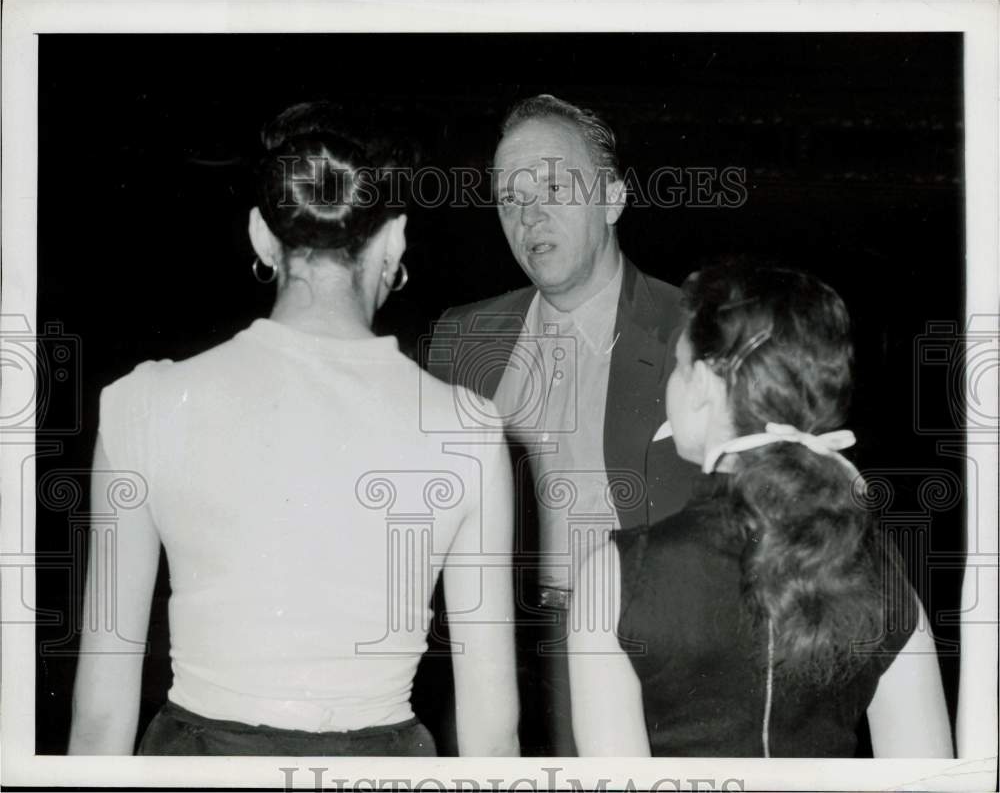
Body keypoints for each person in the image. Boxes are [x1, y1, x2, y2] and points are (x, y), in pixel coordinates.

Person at [68, 120, 519, 756]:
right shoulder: (467, 429)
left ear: (261, 233)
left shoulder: (142, 405)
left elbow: (98, 716)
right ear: (395, 238)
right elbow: (492, 731)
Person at [568, 259, 953, 757]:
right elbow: (927, 775)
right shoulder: (881, 572)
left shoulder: (615, 577)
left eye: (678, 366)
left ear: (704, 384)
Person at [426, 94, 699, 756]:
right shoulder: (461, 337)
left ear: (611, 199)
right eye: (509, 195)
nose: (529, 214)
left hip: (649, 663)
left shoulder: (695, 327)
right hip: (500, 653)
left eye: (552, 185)